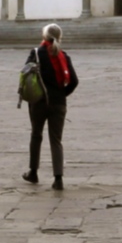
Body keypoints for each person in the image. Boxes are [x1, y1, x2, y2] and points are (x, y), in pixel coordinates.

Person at [22, 24, 79, 191]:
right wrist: (62, 94)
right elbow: (74, 81)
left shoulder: (37, 53)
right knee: (56, 140)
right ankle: (58, 179)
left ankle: (33, 172)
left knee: (36, 135)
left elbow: (25, 73)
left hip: (39, 101)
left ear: (44, 36)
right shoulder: (64, 55)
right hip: (59, 103)